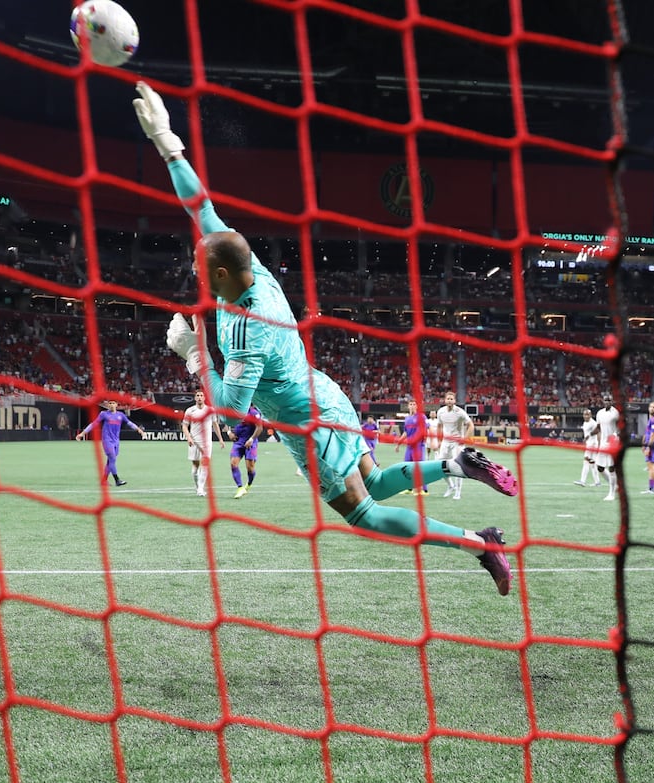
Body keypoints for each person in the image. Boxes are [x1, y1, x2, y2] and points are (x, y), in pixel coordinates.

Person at [134, 82, 517, 594]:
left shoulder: (250, 326)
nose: (194, 267)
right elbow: (199, 208)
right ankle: (456, 463)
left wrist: (193, 355)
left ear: (221, 276)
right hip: (326, 394)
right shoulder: (250, 267)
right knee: (376, 483)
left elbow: (229, 411)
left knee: (363, 514)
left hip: (305, 421)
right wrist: (168, 145)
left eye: (200, 267)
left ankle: (480, 542)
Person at [77, 399, 142, 487]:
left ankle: (104, 481)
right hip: (107, 441)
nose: (111, 405)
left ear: (117, 405)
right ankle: (117, 480)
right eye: (110, 403)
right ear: (108, 405)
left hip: (116, 441)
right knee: (112, 458)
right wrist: (82, 433)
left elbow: (129, 423)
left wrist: (139, 430)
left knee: (110, 461)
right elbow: (94, 424)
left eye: (113, 403)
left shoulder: (121, 415)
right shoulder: (104, 414)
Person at [181, 388, 225, 497]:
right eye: (198, 396)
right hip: (194, 441)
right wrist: (188, 438)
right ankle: (198, 487)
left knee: (205, 464)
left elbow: (215, 425)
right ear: (195, 398)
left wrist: (220, 439)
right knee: (195, 468)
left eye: (201, 395)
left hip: (206, 443)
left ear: (204, 398)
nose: (200, 397)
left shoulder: (210, 410)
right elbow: (184, 426)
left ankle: (200, 488)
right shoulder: (190, 411)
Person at [434, 390, 475, 499]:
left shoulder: (460, 412)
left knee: (458, 466)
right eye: (448, 399)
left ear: (454, 401)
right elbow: (439, 426)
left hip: (457, 443)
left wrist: (464, 439)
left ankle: (458, 492)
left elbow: (471, 425)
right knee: (440, 466)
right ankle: (450, 486)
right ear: (445, 400)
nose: (450, 401)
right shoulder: (441, 412)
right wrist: (439, 440)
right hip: (445, 442)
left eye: (452, 399)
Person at [226, 404, 263, 499]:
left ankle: (249, 484)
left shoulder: (254, 413)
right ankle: (240, 487)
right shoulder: (235, 411)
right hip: (238, 442)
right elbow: (226, 421)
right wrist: (229, 432)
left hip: (251, 442)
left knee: (250, 468)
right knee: (233, 463)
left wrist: (251, 439)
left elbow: (259, 428)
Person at [398, 400, 430, 494]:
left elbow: (425, 429)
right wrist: (399, 442)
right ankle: (409, 488)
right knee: (407, 467)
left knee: (419, 467)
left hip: (418, 446)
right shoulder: (407, 418)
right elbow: (405, 432)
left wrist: (424, 439)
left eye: (414, 404)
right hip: (409, 446)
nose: (412, 406)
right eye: (410, 404)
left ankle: (424, 490)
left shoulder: (421, 417)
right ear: (408, 406)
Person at [594, 393, 622, 501]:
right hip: (603, 443)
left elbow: (621, 427)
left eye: (609, 400)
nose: (607, 402)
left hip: (613, 442)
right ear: (603, 401)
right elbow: (598, 428)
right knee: (600, 467)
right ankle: (614, 486)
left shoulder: (616, 413)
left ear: (612, 401)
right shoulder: (599, 413)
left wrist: (616, 435)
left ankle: (611, 494)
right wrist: (597, 441)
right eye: (605, 400)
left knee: (611, 467)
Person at [642, 401, 654, 494]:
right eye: (651, 407)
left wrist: (648, 448)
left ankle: (651, 488)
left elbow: (653, 435)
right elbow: (647, 432)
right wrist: (643, 444)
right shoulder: (652, 419)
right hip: (652, 445)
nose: (652, 408)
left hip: (652, 445)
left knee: (651, 467)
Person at [575, 408, 599, 487]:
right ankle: (597, 482)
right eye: (584, 414)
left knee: (586, 462)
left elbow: (598, 430)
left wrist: (589, 435)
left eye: (587, 414)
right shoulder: (585, 422)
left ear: (591, 415)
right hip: (590, 444)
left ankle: (582, 481)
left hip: (592, 445)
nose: (586, 416)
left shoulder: (593, 423)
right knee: (592, 464)